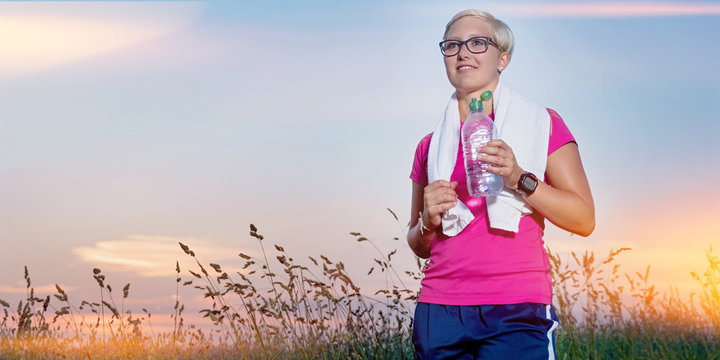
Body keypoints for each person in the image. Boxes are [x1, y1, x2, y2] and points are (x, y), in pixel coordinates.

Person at [407, 9, 595, 359]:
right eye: (452, 45)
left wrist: (518, 178)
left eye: (478, 42)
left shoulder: (543, 125)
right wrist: (428, 222)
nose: (463, 52)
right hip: (440, 308)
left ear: (502, 58)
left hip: (516, 306)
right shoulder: (430, 147)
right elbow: (418, 244)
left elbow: (583, 219)